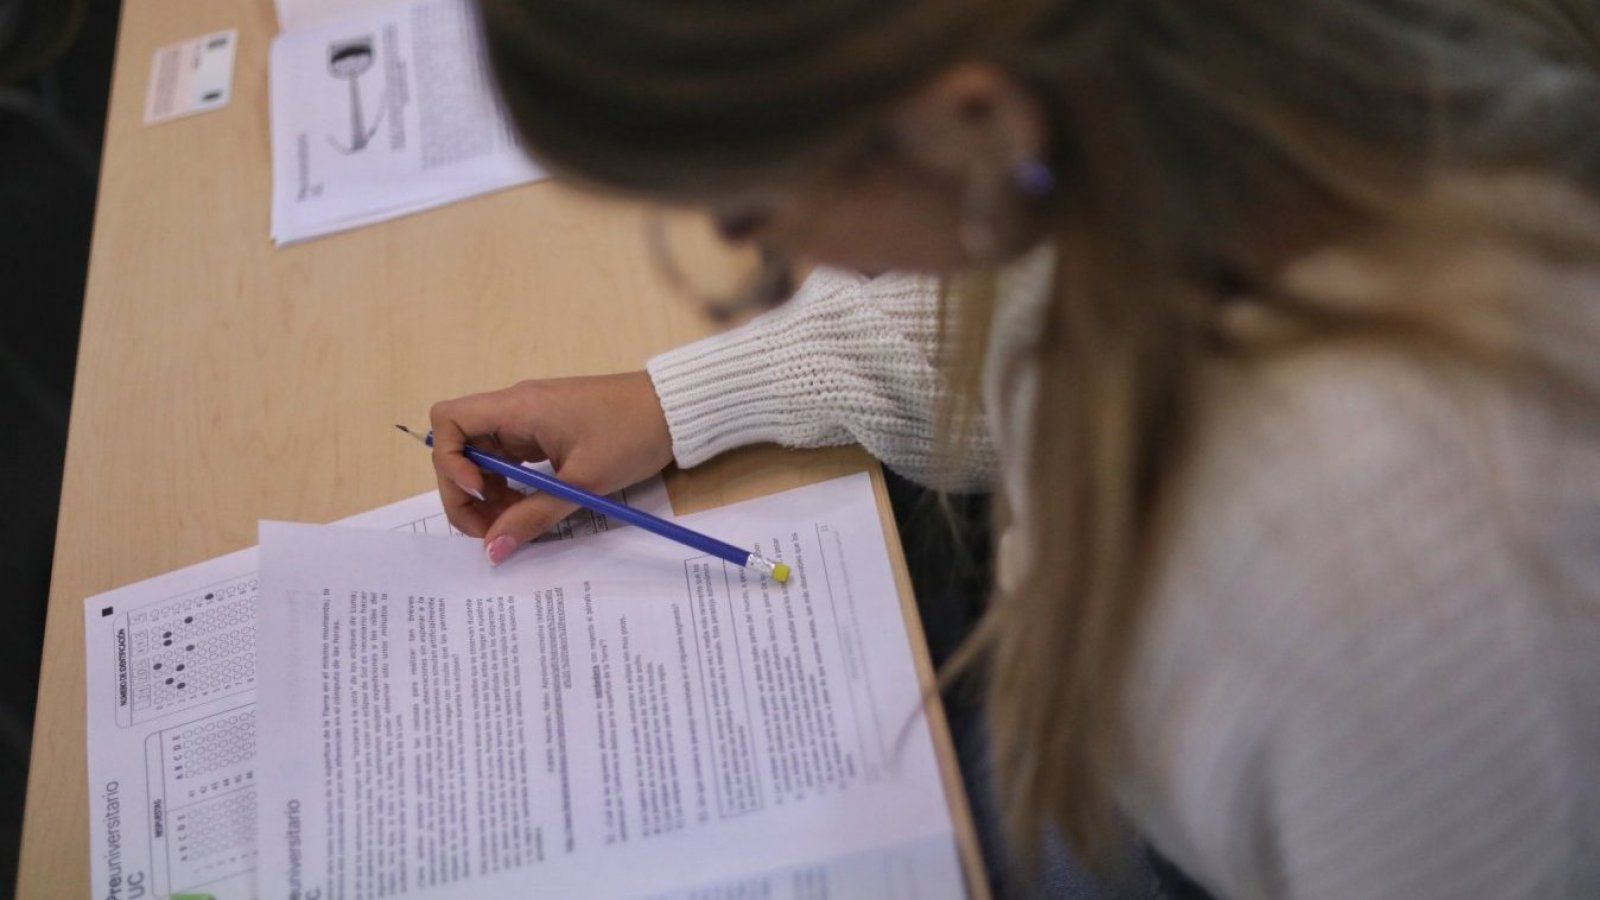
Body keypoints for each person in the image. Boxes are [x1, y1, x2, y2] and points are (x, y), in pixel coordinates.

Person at [428, 0, 1600, 896]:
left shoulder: (1405, 579)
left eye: (750, 220)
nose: (783, 255)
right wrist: (676, 400)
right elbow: (1021, 307)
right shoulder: (1174, 112)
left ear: (971, 120)